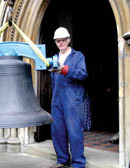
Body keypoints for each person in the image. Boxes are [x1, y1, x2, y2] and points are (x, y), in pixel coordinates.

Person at [49, 27, 88, 168]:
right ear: (55, 42)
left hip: (73, 99)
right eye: (58, 41)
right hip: (57, 98)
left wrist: (65, 69)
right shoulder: (54, 58)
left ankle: (78, 163)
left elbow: (83, 75)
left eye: (63, 40)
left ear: (69, 40)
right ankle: (62, 160)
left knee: (74, 131)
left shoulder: (78, 56)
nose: (61, 43)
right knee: (58, 130)